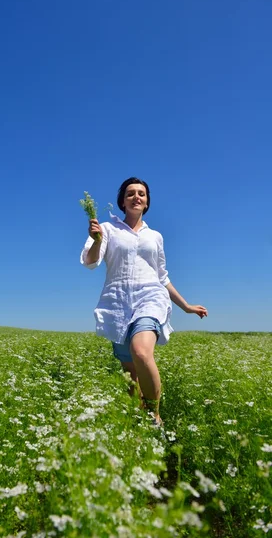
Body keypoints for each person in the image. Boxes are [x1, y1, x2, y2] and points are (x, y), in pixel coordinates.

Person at [80, 177, 208, 427]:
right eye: (130, 194)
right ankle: (137, 423)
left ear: (147, 201)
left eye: (141, 193)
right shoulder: (107, 228)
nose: (136, 197)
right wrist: (96, 241)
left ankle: (154, 416)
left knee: (141, 351)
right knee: (131, 376)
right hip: (117, 303)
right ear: (122, 201)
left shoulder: (156, 237)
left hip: (150, 298)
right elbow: (91, 262)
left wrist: (187, 307)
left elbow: (162, 277)